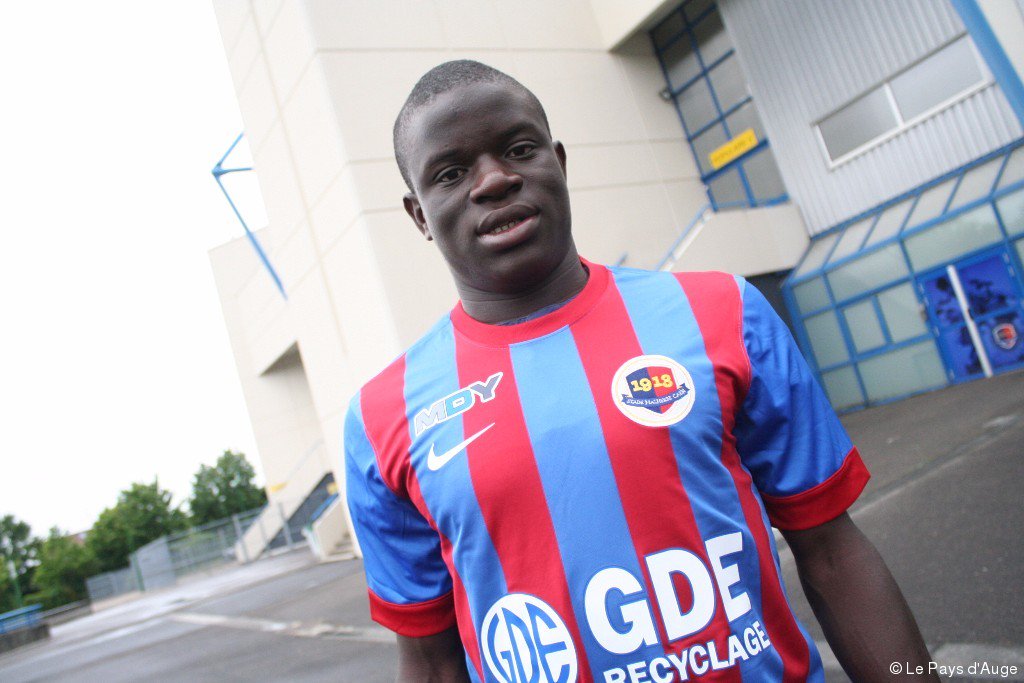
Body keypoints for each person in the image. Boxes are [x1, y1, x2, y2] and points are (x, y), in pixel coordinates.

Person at [344, 59, 937, 683]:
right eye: (451, 172)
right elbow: (432, 661)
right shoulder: (385, 416)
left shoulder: (725, 313)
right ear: (418, 216)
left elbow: (833, 554)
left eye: (519, 148)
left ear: (560, 163)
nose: (493, 181)